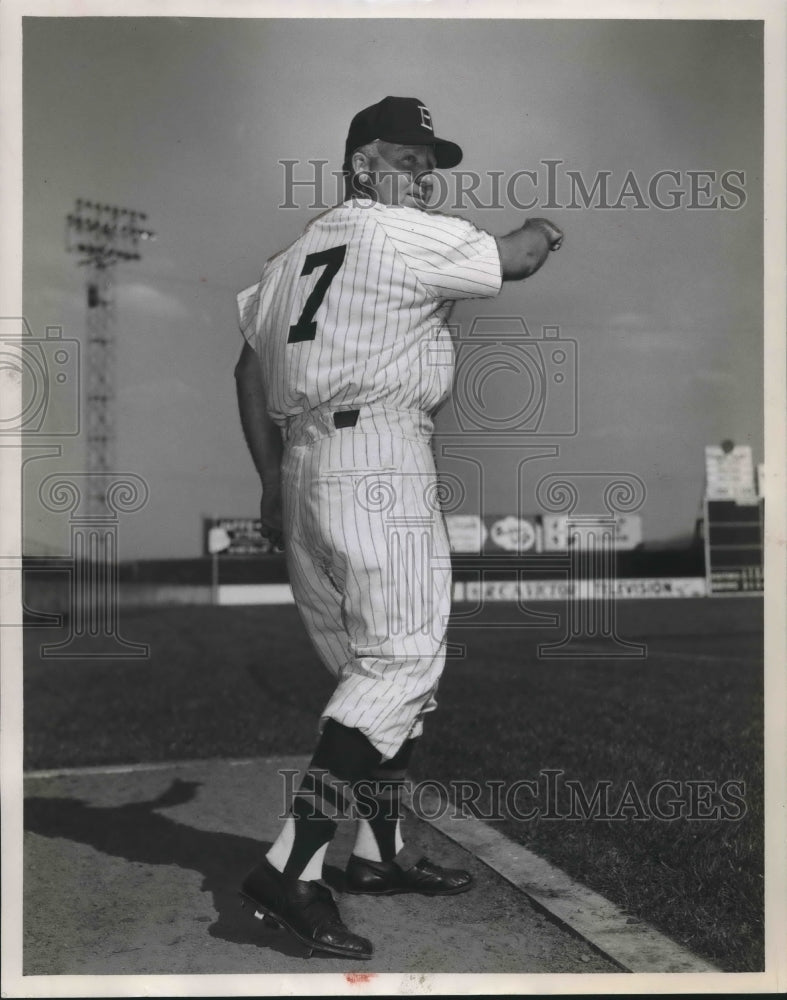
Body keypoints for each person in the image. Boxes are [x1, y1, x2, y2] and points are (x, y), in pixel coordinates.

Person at [234, 95, 563, 960]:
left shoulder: (292, 256)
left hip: (306, 467)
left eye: (428, 163)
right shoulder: (393, 231)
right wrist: (544, 225)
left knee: (376, 678)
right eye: (406, 160)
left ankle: (375, 854)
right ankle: (291, 868)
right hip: (377, 456)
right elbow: (518, 256)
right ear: (359, 166)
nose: (422, 176)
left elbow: (246, 361)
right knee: (401, 661)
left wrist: (270, 476)